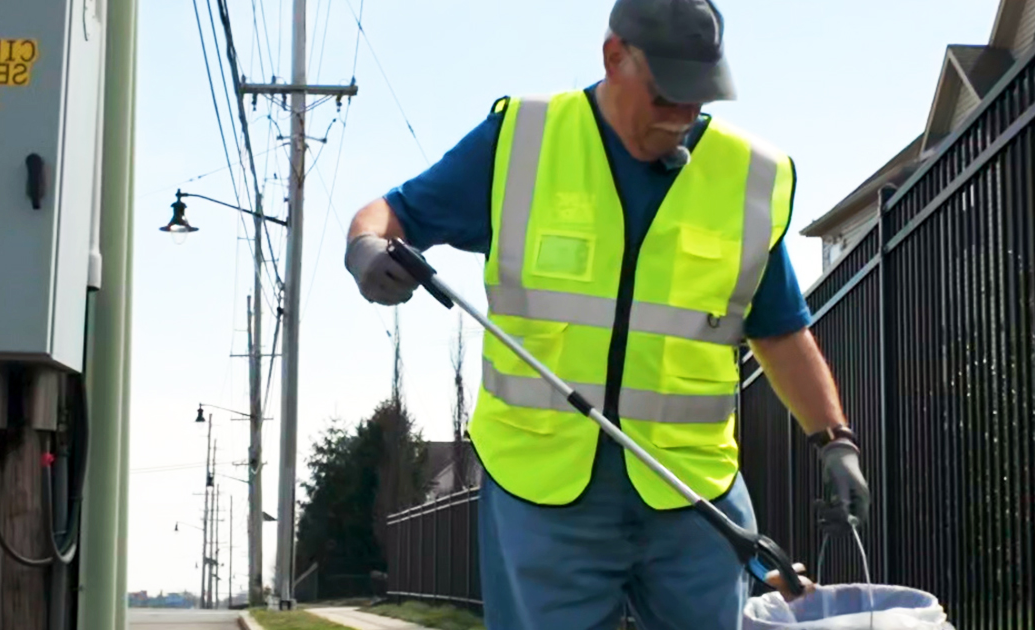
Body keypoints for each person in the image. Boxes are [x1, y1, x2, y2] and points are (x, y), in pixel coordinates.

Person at [342, 0, 869, 627]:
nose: (682, 114)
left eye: (698, 97)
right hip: (543, 490)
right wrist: (366, 251)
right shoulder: (523, 143)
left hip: (691, 491)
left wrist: (834, 440)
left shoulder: (747, 179)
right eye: (666, 94)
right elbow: (390, 212)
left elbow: (780, 330)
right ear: (614, 57)